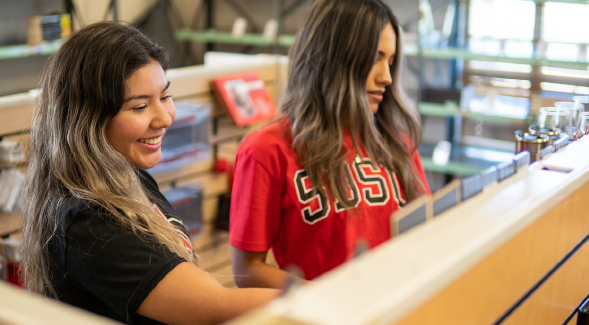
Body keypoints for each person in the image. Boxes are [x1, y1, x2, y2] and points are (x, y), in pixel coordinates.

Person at [20, 21, 277, 325]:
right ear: (87, 119)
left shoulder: (127, 172)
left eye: (165, 96)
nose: (164, 118)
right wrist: (321, 297)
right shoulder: (90, 221)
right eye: (140, 107)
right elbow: (213, 307)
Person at [229, 0, 431, 289]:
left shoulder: (398, 141)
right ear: (334, 56)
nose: (386, 77)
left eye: (390, 61)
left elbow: (429, 232)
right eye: (375, 57)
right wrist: (328, 300)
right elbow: (247, 271)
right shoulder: (266, 150)